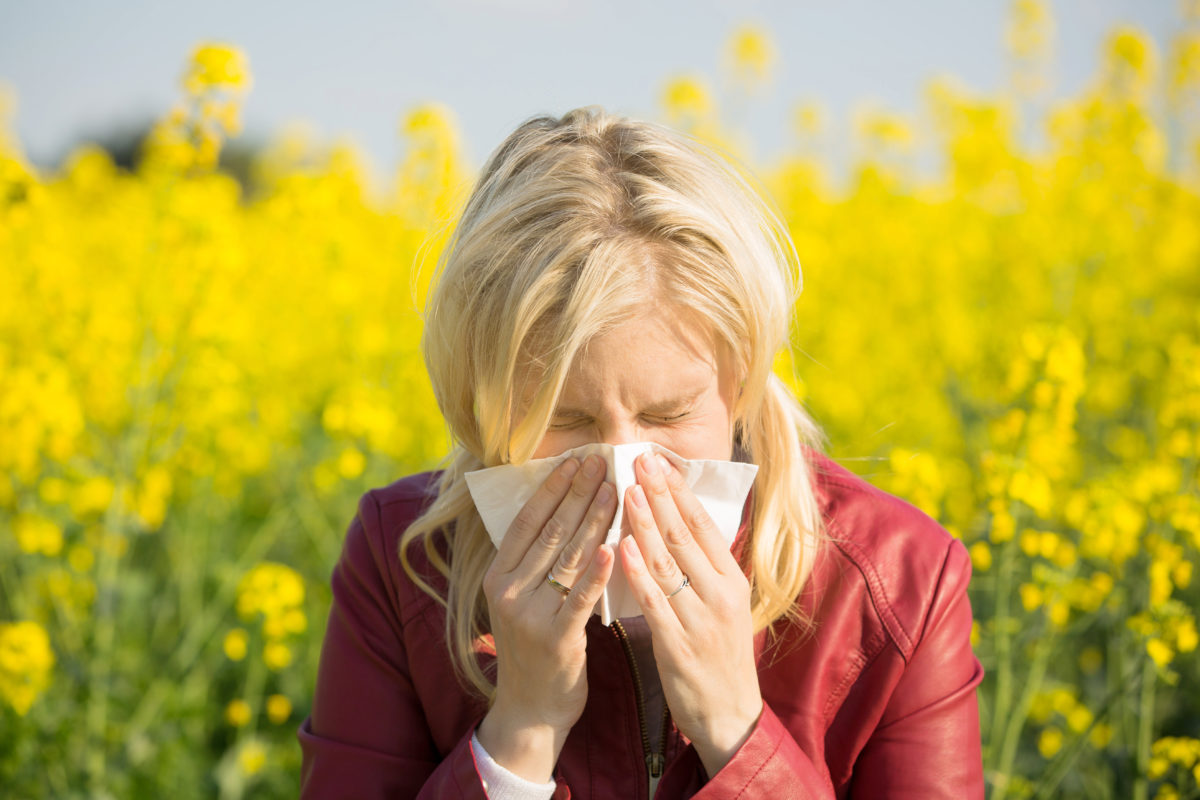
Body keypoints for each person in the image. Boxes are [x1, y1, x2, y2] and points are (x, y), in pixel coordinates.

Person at [298, 106, 984, 798]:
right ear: (482, 405)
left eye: (669, 412)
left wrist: (735, 730)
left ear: (739, 379)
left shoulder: (901, 581)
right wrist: (522, 733)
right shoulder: (407, 562)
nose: (623, 466)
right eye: (565, 419)